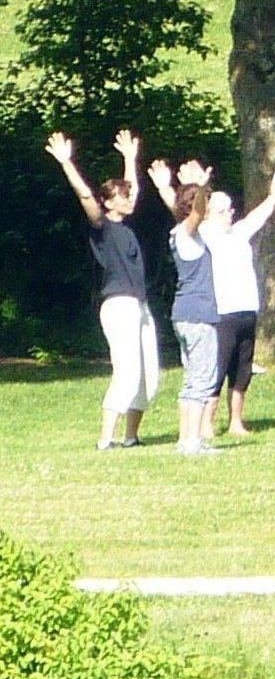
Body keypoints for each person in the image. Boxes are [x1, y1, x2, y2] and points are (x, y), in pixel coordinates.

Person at [47, 130, 158, 449]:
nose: (130, 198)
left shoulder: (128, 225)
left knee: (149, 376)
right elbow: (85, 197)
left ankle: (131, 437)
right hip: (119, 304)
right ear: (109, 202)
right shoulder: (103, 228)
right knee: (127, 370)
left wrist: (130, 158)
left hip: (140, 305)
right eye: (122, 196)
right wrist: (67, 163)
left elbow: (133, 188)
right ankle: (106, 439)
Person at [198, 170, 275, 437]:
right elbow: (196, 211)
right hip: (223, 313)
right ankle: (207, 424)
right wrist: (202, 188)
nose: (230, 214)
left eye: (230, 210)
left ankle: (236, 421)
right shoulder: (207, 234)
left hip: (247, 310)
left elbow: (256, 218)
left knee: (242, 371)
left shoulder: (237, 233)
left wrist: (273, 197)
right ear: (211, 214)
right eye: (224, 211)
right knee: (218, 369)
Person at [147, 158, 223, 454]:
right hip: (197, 315)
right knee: (200, 379)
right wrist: (202, 184)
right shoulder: (189, 233)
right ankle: (190, 440)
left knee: (194, 377)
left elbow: (182, 210)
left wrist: (166, 188)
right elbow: (196, 212)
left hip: (185, 314)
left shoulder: (180, 232)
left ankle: (188, 439)